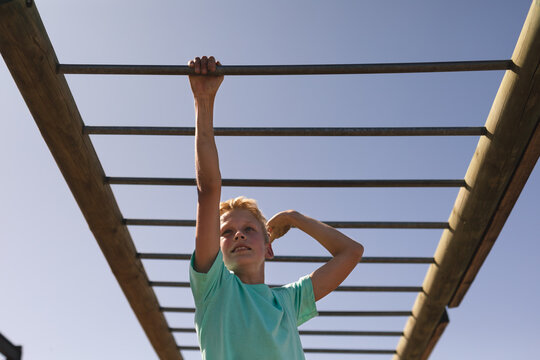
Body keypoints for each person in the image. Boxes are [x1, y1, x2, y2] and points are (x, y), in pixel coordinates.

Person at [188, 56, 364, 360]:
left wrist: (295, 218)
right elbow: (208, 191)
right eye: (227, 232)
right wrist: (204, 101)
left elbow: (351, 252)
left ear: (269, 247)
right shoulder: (213, 288)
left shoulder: (287, 302)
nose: (239, 235)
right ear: (216, 249)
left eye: (249, 229)